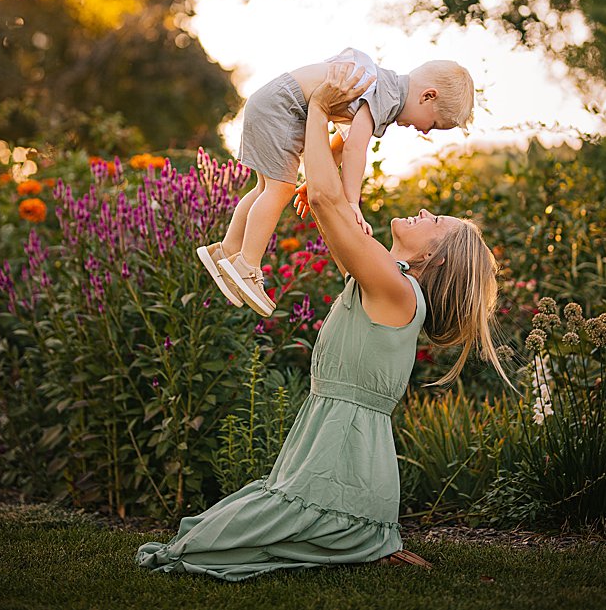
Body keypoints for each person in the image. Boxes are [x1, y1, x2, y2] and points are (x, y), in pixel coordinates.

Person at [141, 61, 511, 579]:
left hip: (344, 444)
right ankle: (369, 537)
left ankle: (367, 536)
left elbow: (326, 196)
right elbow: (325, 209)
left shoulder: (394, 286)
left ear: (439, 259)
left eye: (436, 222)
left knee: (224, 542)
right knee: (230, 530)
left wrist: (316, 111)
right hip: (334, 433)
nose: (425, 213)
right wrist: (323, 161)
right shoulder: (385, 275)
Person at [196, 48, 475, 315]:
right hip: (284, 106)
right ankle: (247, 265)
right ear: (428, 96)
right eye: (435, 124)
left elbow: (341, 144)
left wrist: (312, 178)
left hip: (274, 102)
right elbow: (356, 147)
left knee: (264, 188)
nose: (426, 130)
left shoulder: (382, 88)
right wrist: (352, 201)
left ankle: (226, 250)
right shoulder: (387, 95)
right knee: (279, 189)